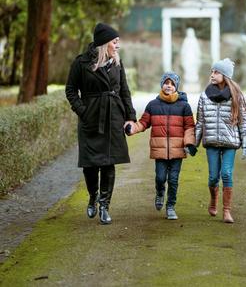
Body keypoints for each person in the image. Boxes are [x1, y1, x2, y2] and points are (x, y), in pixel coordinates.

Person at [65, 23, 136, 225]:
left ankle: (105, 206)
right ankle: (93, 197)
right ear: (105, 43)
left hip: (113, 117)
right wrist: (83, 111)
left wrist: (130, 117)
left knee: (108, 162)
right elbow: (70, 90)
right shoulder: (81, 63)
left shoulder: (117, 63)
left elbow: (125, 91)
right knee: (90, 164)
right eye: (115, 42)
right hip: (91, 118)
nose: (118, 46)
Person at [129, 72, 195, 220]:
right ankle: (160, 193)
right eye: (166, 83)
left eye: (172, 84)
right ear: (162, 85)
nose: (169, 86)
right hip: (160, 150)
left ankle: (170, 206)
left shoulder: (184, 106)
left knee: (173, 179)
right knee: (160, 178)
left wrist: (189, 142)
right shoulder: (153, 105)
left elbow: (190, 127)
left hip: (177, 150)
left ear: (176, 87)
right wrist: (132, 128)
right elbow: (143, 122)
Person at [195, 58, 246, 224]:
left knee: (226, 173)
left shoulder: (237, 97)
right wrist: (193, 144)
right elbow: (200, 122)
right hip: (211, 141)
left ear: (225, 75)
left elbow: (244, 122)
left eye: (216, 72)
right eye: (212, 71)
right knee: (213, 177)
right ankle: (213, 200)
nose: (212, 75)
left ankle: (226, 210)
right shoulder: (204, 96)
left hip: (230, 143)